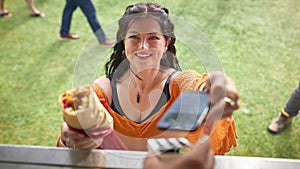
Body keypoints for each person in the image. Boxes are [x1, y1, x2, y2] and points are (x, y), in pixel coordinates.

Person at [57, 1, 239, 164]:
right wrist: (70, 134)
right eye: (134, 37)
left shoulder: (177, 83)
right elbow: (80, 110)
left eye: (153, 38)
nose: (143, 46)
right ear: (124, 42)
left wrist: (218, 81)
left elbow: (200, 86)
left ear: (166, 43)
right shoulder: (105, 89)